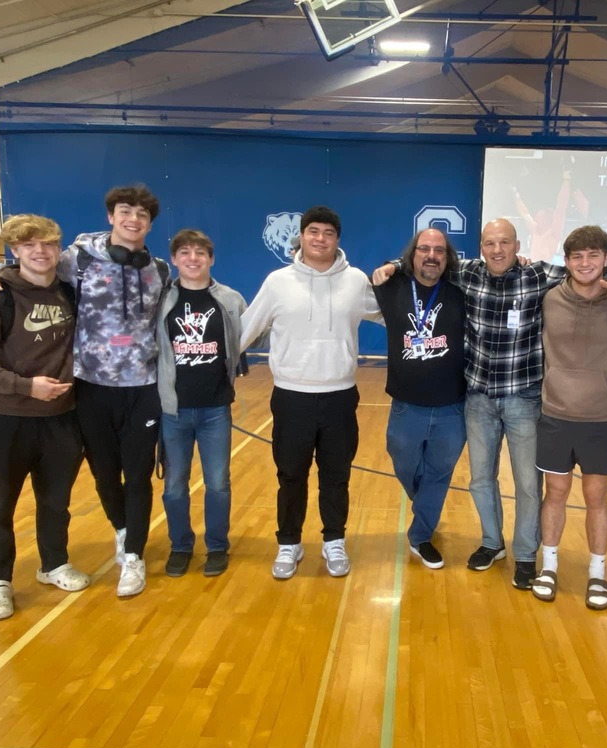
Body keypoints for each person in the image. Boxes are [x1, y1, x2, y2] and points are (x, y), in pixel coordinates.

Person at [374, 219, 607, 590]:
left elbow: (587, 271)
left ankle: (526, 554)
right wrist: (393, 265)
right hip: (477, 398)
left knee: (528, 484)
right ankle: (492, 543)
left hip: (524, 398)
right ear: (480, 247)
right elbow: (425, 262)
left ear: (517, 245)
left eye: (505, 243)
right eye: (490, 243)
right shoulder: (466, 273)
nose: (497, 250)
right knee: (481, 480)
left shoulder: (540, 275)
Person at [0, 185, 170, 598]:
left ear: (150, 223)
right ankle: (2, 579)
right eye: (125, 211)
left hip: (141, 387)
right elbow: (28, 263)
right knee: (99, 476)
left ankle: (129, 553)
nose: (134, 219)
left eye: (142, 215)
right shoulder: (76, 259)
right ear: (111, 216)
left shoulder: (160, 270)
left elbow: (195, 281)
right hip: (89, 388)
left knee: (130, 476)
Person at [239, 206, 383, 580]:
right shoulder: (277, 281)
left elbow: (395, 314)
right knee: (291, 475)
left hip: (340, 396)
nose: (320, 239)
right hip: (291, 397)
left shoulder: (355, 280)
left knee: (336, 475)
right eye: (313, 231)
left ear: (338, 239)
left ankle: (334, 540)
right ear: (301, 236)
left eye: (328, 233)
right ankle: (289, 543)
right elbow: (245, 329)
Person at [0, 214, 89, 621]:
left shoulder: (70, 291)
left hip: (61, 419)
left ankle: (53, 563)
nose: (40, 251)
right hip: (5, 419)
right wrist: (25, 386)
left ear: (58, 249)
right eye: (28, 244)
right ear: (14, 250)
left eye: (48, 244)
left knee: (56, 501)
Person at [531, 226, 607, 607]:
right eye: (577, 256)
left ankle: (597, 576)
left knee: (597, 497)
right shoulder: (548, 299)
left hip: (600, 419)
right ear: (566, 262)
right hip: (555, 415)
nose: (585, 263)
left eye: (593, 255)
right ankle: (548, 567)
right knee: (556, 494)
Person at [372, 228, 467, 569]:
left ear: (447, 257)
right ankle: (426, 502)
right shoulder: (391, 286)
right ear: (412, 254)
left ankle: (421, 535)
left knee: (439, 474)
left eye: (439, 250)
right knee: (405, 465)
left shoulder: (461, 290)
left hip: (452, 408)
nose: (431, 255)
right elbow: (376, 274)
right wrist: (390, 266)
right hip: (406, 406)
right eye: (424, 249)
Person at [156, 229, 246, 578]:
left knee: (218, 483)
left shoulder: (230, 299)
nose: (193, 259)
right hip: (172, 410)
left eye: (200, 253)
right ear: (175, 259)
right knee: (175, 485)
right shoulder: (161, 298)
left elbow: (256, 332)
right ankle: (180, 545)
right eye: (185, 253)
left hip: (215, 410)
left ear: (211, 259)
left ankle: (217, 546)